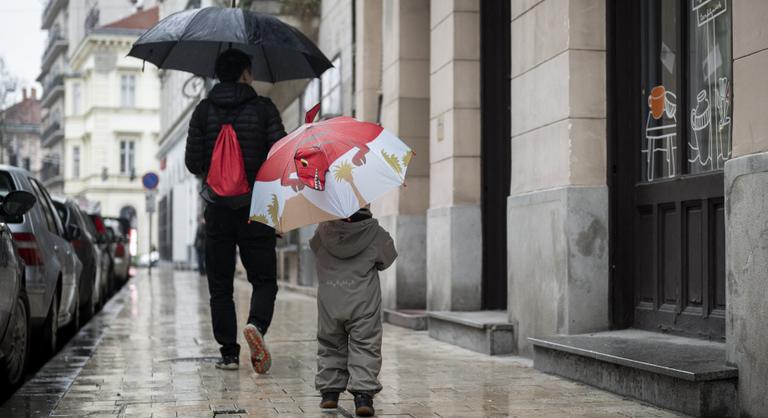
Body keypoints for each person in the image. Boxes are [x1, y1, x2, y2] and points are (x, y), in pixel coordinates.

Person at [185, 49, 286, 372]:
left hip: (217, 209)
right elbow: (280, 154)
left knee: (220, 284)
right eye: (250, 70)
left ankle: (229, 353)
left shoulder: (202, 111)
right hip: (257, 207)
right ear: (245, 73)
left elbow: (192, 162)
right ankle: (256, 325)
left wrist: (218, 166)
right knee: (264, 279)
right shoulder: (263, 108)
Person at [309, 207, 397, 417]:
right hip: (363, 301)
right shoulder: (375, 233)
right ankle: (363, 396)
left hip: (331, 299)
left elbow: (314, 248)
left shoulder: (323, 231)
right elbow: (389, 257)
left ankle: (329, 393)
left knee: (330, 343)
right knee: (365, 344)